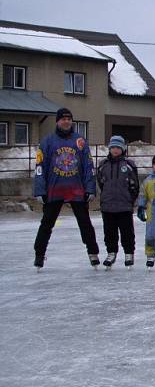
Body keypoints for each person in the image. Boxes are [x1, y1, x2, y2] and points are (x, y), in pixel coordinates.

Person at [33, 107, 100, 269]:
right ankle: (39, 255)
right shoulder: (47, 142)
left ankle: (93, 253)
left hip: (76, 189)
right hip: (54, 190)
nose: (66, 121)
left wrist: (90, 188)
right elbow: (40, 167)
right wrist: (40, 190)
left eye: (69, 119)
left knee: (85, 223)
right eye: (63, 119)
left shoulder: (80, 141)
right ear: (58, 121)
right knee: (47, 223)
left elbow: (88, 166)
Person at [97, 135, 139, 269]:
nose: (115, 150)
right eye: (113, 147)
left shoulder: (128, 165)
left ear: (123, 149)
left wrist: (130, 199)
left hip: (124, 205)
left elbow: (135, 185)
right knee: (109, 232)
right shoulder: (103, 165)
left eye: (118, 148)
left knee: (127, 232)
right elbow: (101, 183)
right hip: (108, 205)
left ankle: (129, 253)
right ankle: (111, 252)